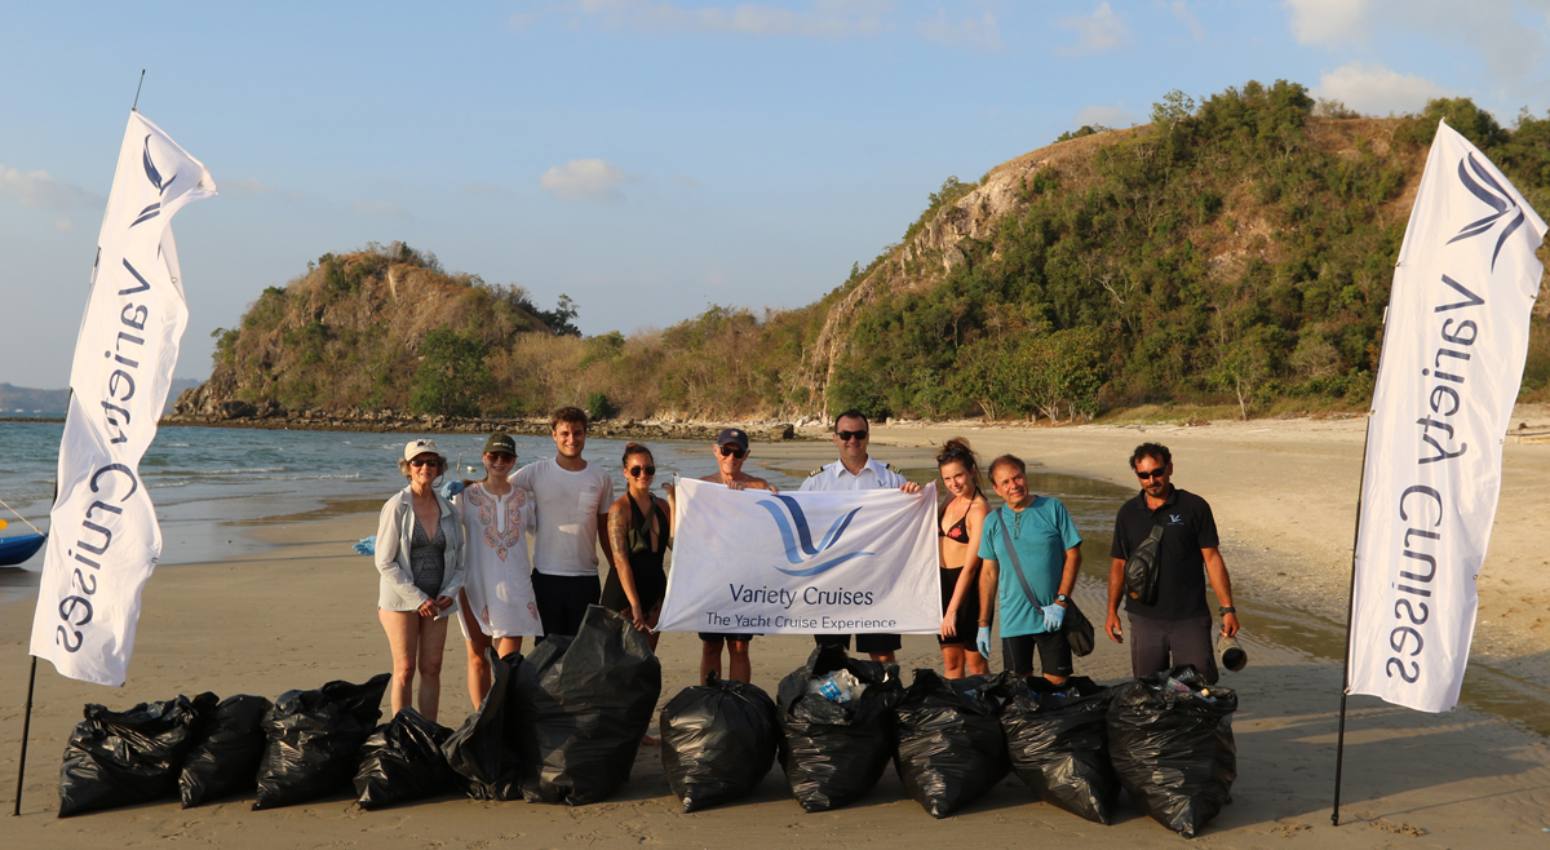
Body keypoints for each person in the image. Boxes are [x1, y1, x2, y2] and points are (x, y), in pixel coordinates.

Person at [1105, 442, 1240, 683]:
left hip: (1190, 617)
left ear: (1170, 468)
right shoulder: (1127, 513)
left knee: (1197, 688)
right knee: (1149, 691)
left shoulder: (1194, 507)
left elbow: (1212, 559)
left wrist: (1227, 608)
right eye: (1144, 475)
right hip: (1144, 618)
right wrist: (1111, 611)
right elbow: (1118, 564)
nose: (1151, 480)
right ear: (1137, 475)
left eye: (1157, 472)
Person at [799, 409, 921, 663]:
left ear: (868, 436)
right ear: (834, 438)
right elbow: (799, 527)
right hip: (831, 584)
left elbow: (911, 526)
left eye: (859, 434)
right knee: (830, 656)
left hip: (877, 583)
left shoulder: (892, 479)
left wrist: (916, 498)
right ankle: (834, 704)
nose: (852, 440)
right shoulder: (816, 483)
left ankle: (887, 700)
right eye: (845, 434)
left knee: (882, 654)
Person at [373, 438, 466, 721]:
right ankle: (403, 735)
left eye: (432, 462)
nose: (425, 467)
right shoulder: (396, 506)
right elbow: (384, 561)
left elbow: (461, 561)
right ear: (408, 468)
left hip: (438, 601)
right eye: (419, 462)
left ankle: (429, 732)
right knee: (405, 669)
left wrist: (451, 591)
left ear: (439, 469)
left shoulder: (449, 510)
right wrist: (417, 598)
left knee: (432, 668)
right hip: (401, 601)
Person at [452, 433, 541, 710]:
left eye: (506, 457)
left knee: (507, 667)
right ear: (484, 458)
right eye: (494, 456)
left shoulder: (526, 498)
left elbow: (547, 529)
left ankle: (500, 721)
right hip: (474, 585)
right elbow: (442, 528)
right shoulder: (465, 496)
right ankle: (482, 722)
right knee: (478, 657)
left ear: (514, 461)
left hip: (515, 587)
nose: (499, 462)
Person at [510, 407, 615, 639]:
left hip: (586, 578)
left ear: (585, 434)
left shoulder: (601, 477)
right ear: (554, 435)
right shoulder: (535, 472)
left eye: (577, 433)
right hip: (546, 577)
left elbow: (605, 528)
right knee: (547, 652)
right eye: (565, 433)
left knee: (582, 653)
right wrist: (466, 487)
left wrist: (616, 568)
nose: (571, 439)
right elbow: (496, 490)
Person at [976, 454, 1081, 683]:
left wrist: (1061, 601)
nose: (1014, 486)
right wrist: (983, 624)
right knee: (1019, 691)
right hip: (1013, 621)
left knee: (1057, 687)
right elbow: (988, 574)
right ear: (996, 488)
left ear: (1025, 476)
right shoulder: (992, 521)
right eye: (1005, 482)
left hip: (1052, 617)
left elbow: (1073, 555)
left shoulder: (1052, 508)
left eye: (1017, 477)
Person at [694, 427, 776, 683]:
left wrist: (770, 499)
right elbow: (690, 533)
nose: (731, 457)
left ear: (746, 455)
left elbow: (770, 533)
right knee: (711, 646)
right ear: (716, 451)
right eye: (726, 451)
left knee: (740, 647)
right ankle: (709, 699)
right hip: (711, 580)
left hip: (744, 580)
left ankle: (740, 702)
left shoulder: (758, 486)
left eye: (737, 453)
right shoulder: (700, 487)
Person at [601, 442, 672, 648]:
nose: (643, 474)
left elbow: (677, 546)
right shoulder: (619, 509)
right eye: (636, 470)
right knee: (619, 663)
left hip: (655, 590)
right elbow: (620, 562)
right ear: (625, 473)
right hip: (624, 595)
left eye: (649, 469)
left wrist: (674, 500)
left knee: (647, 660)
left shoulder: (662, 506)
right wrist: (635, 604)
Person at [936, 438, 990, 678]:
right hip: (942, 584)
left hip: (967, 590)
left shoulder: (979, 510)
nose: (953, 483)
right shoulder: (949, 499)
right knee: (951, 663)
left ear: (971, 471)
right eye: (947, 478)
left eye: (958, 476)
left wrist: (952, 611)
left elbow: (971, 567)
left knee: (975, 664)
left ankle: (985, 710)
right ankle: (956, 712)